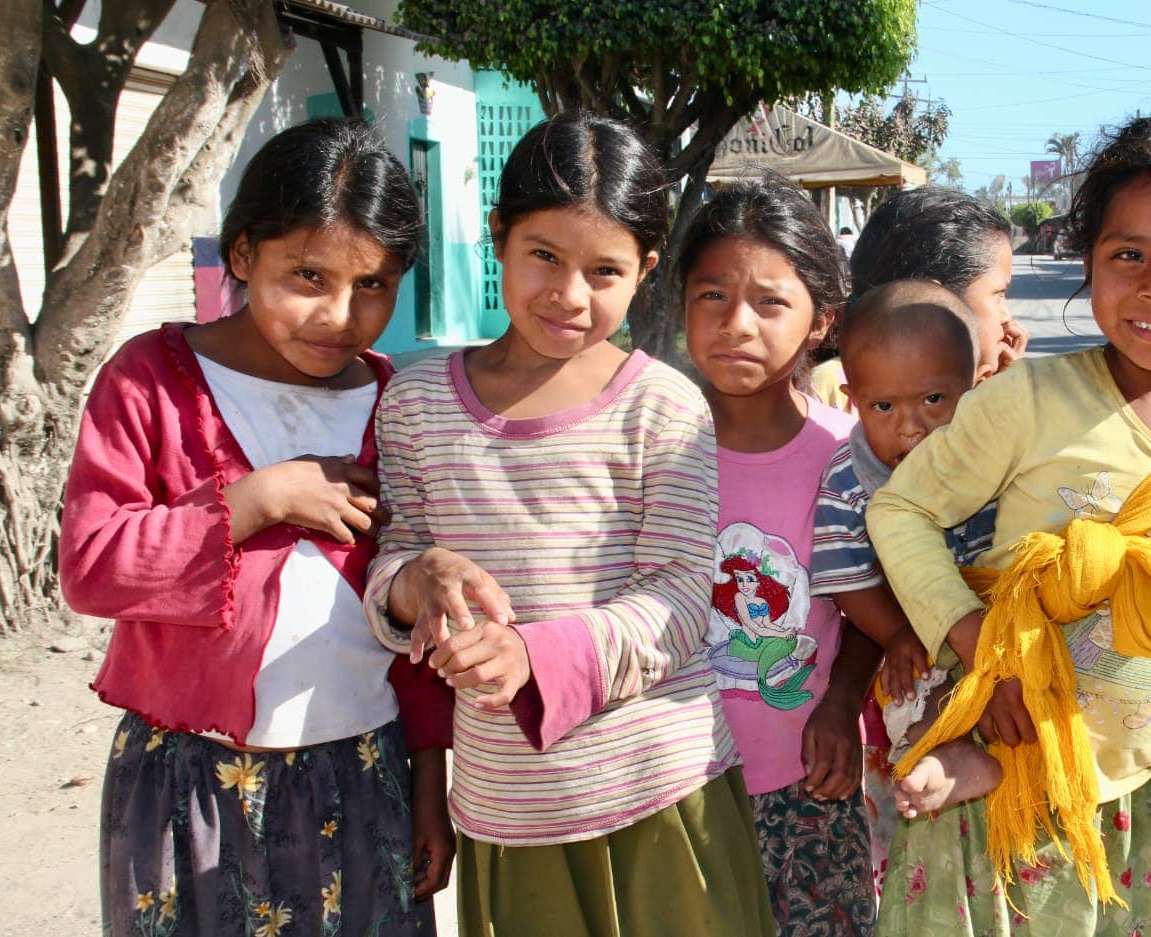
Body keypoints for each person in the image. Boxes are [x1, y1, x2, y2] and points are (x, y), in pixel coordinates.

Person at [868, 106, 1151, 937]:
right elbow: (901, 509)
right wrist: (979, 644)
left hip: (1144, 816)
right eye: (1129, 256)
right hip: (999, 781)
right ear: (1090, 261)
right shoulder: (1031, 401)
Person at [362, 113, 775, 937]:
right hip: (508, 808)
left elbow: (687, 594)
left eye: (605, 270)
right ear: (497, 236)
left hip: (661, 792)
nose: (569, 294)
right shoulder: (414, 403)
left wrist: (534, 657)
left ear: (645, 272)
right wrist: (417, 581)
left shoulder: (663, 406)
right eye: (543, 255)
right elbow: (391, 557)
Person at [59, 117, 455, 936]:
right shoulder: (151, 382)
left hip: (363, 775)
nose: (339, 315)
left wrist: (427, 783)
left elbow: (417, 622)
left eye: (373, 284)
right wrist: (260, 498)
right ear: (242, 255)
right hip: (188, 783)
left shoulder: (400, 405)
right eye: (306, 275)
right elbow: (93, 564)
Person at [679, 175, 877, 936]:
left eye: (770, 301)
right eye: (713, 295)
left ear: (821, 319)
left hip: (807, 778)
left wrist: (841, 699)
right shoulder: (652, 445)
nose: (738, 323)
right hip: (676, 781)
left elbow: (876, 602)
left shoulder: (846, 456)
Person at [807, 279, 1004, 827]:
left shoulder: (995, 453)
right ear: (853, 401)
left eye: (934, 400)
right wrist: (896, 633)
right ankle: (946, 756)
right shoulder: (850, 478)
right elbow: (847, 579)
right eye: (884, 406)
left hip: (1001, 627)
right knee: (920, 696)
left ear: (976, 384)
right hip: (911, 636)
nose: (910, 427)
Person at [808, 187, 1030, 413]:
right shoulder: (831, 393)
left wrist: (996, 393)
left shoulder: (979, 387)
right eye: (999, 295)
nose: (1007, 318)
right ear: (936, 305)